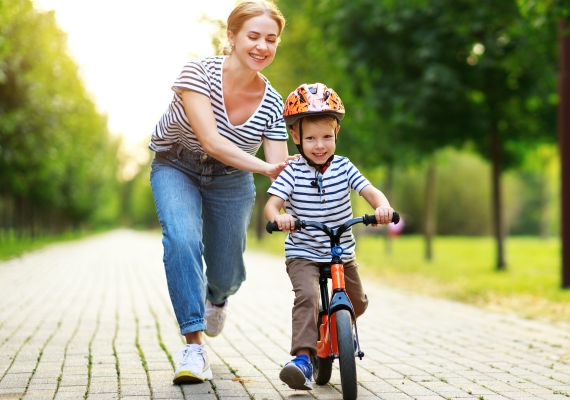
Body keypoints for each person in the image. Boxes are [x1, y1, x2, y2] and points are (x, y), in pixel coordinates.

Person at [149, 0, 293, 384]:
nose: (262, 46)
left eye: (271, 39)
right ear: (231, 36)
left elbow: (281, 170)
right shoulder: (196, 73)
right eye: (254, 36)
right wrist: (264, 166)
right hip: (176, 164)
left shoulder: (273, 103)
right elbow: (210, 141)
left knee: (227, 269)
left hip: (231, 178)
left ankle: (218, 297)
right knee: (181, 239)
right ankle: (193, 347)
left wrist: (291, 204)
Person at [264, 83, 395, 390]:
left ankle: (337, 332)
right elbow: (271, 205)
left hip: (341, 252)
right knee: (307, 297)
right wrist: (280, 218)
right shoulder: (292, 172)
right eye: (310, 138)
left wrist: (383, 208)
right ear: (296, 138)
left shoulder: (345, 167)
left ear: (337, 132)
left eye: (326, 136)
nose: (319, 145)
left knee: (358, 303)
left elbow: (370, 191)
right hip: (304, 253)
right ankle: (303, 359)